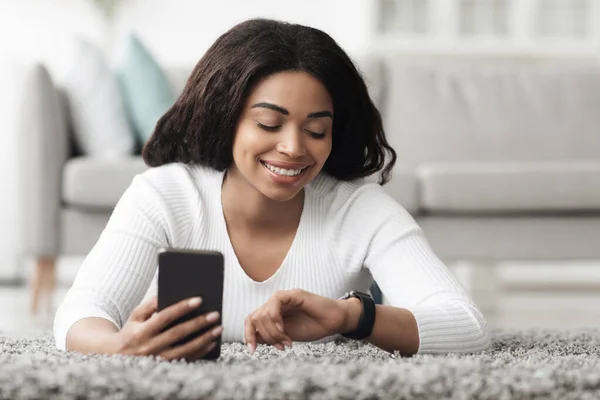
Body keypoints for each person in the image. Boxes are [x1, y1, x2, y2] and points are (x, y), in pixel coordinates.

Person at [54, 18, 490, 361]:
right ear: (226, 119)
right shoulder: (164, 195)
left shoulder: (359, 209)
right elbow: (79, 315)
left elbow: (466, 325)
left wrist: (350, 315)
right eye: (268, 124)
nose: (293, 148)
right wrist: (121, 346)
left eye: (316, 130)